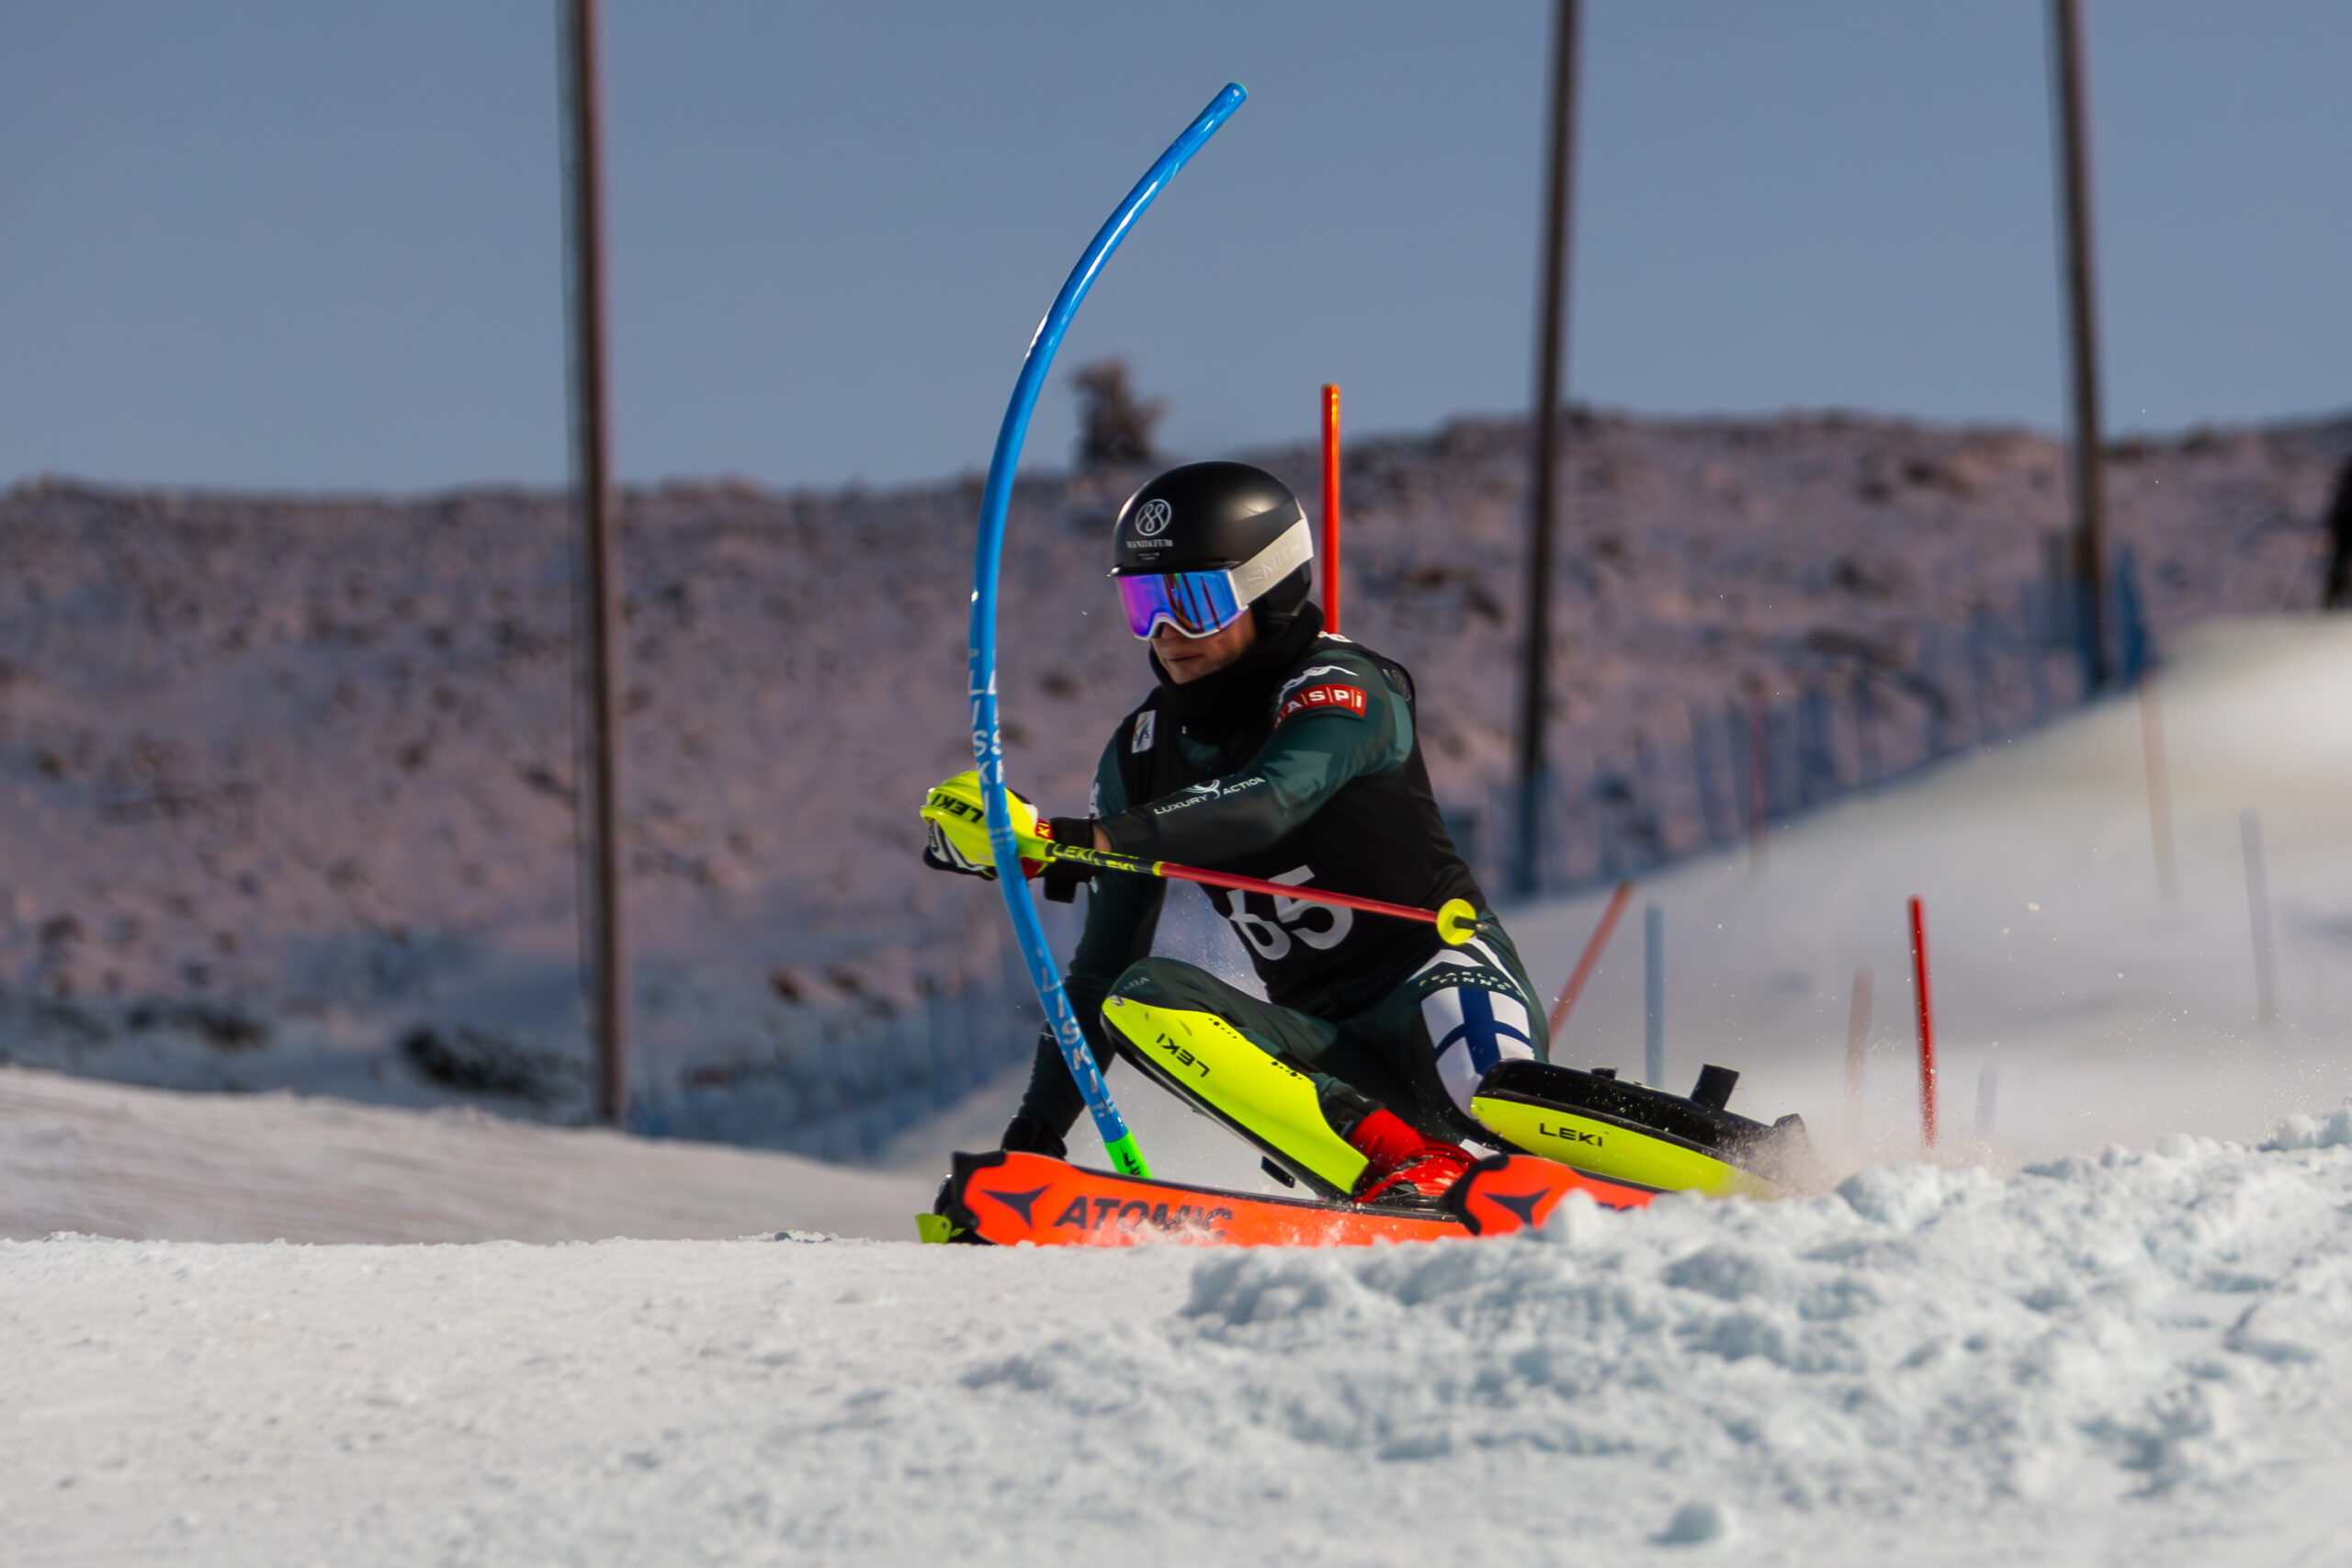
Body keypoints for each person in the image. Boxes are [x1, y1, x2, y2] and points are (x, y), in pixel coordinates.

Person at [921, 461, 1547, 1203]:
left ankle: (1602, 1155)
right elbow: (1096, 974)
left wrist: (1082, 839)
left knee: (1482, 1087)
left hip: (1436, 983)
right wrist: (1033, 1140)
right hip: (1330, 1055)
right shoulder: (1143, 756)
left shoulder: (1342, 687)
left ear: (1269, 588)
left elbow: (1268, 800)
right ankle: (1402, 1164)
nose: (1165, 631)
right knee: (1138, 996)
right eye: (1143, 602)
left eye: (1192, 601)